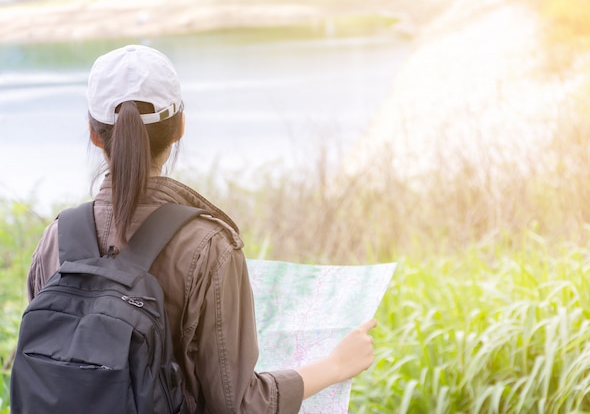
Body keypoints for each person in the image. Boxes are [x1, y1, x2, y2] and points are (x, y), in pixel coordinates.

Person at [26, 44, 377, 413]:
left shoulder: (56, 238)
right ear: (179, 127)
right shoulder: (209, 246)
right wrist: (335, 365)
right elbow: (238, 404)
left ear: (94, 134)